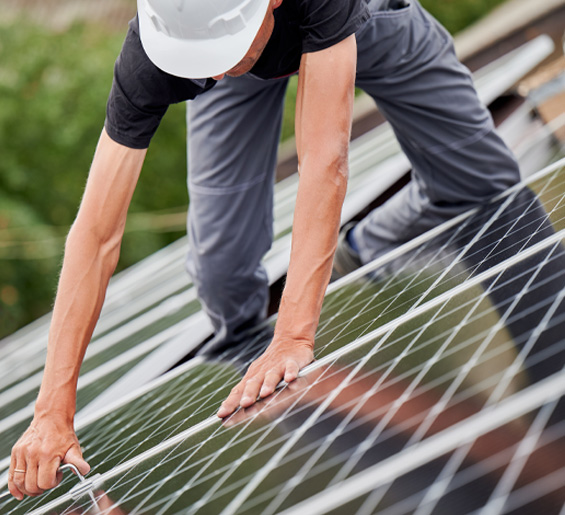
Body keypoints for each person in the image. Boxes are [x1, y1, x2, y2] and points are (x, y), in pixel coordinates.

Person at [8, 0, 520, 501]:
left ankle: (362, 248)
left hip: (361, 21)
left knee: (485, 185)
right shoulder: (161, 50)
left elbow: (324, 162)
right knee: (224, 286)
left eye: (220, 50)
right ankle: (303, 407)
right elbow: (96, 234)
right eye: (199, 57)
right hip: (248, 60)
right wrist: (52, 411)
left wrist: (294, 337)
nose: (216, 67)